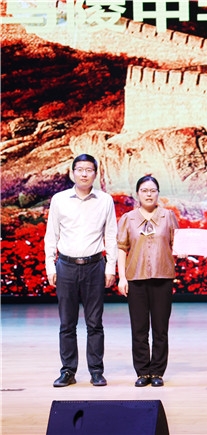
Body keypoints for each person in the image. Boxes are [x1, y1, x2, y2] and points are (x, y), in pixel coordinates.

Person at [44, 154, 118, 387]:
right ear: (72, 172)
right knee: (67, 323)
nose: (84, 174)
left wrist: (111, 267)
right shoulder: (59, 200)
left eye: (89, 170)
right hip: (65, 266)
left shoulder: (105, 200)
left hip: (95, 266)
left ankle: (96, 371)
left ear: (95, 174)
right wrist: (50, 265)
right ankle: (68, 371)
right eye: (80, 169)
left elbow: (111, 235)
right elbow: (51, 235)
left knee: (95, 322)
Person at [117, 175, 179, 387]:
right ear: (137, 194)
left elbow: (177, 243)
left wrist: (186, 250)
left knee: (160, 329)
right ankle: (143, 372)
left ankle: (158, 372)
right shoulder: (128, 218)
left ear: (158, 193)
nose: (149, 194)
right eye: (144, 190)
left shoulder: (168, 216)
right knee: (139, 328)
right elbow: (122, 248)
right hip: (136, 278)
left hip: (163, 277)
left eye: (153, 190)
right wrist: (122, 277)